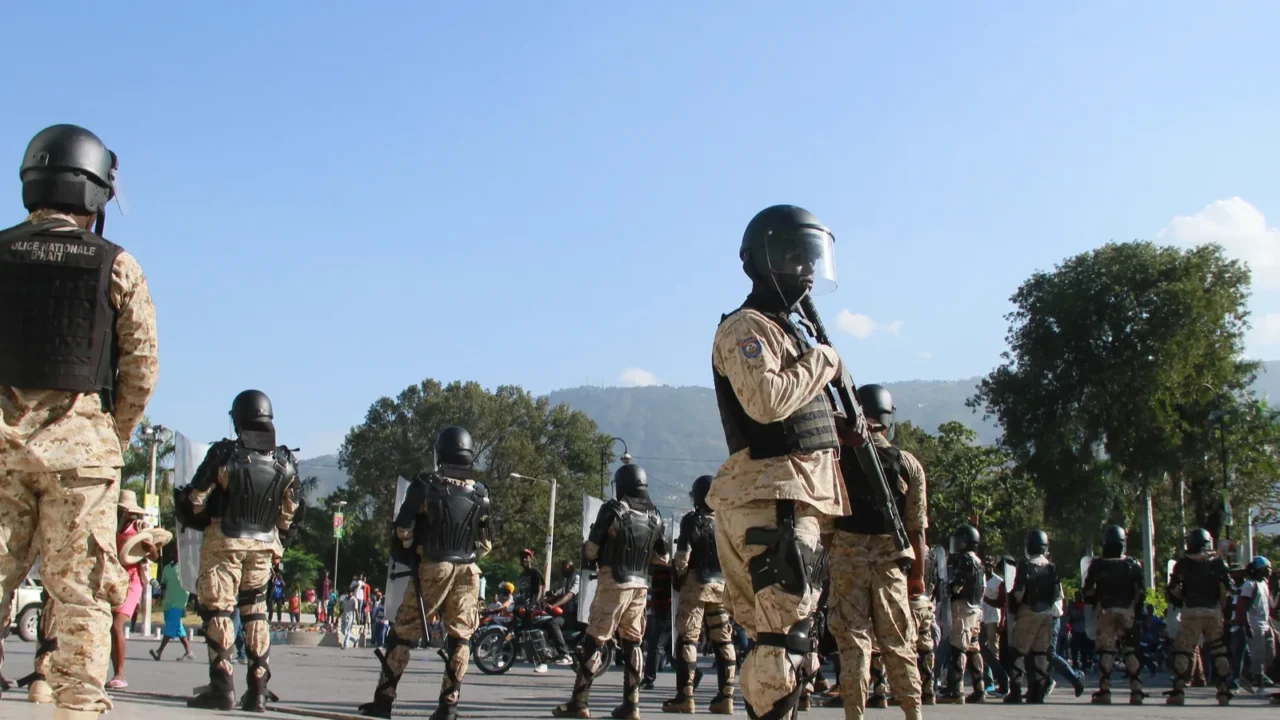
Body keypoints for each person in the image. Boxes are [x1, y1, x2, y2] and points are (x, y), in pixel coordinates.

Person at [0, 123, 159, 720]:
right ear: (95, 191)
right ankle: (78, 706)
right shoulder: (116, 266)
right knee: (84, 596)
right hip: (82, 457)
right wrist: (109, 437)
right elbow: (141, 367)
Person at [708, 204, 855, 720]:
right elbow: (766, 402)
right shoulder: (747, 328)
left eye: (812, 258)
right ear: (763, 260)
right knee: (782, 645)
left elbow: (800, 421)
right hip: (775, 500)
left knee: (790, 646)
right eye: (796, 256)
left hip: (795, 498)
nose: (808, 269)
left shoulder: (790, 332)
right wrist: (826, 361)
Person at [177, 389, 301, 711]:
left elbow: (196, 498)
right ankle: (258, 688)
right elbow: (291, 511)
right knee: (255, 610)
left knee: (218, 610)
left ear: (238, 418)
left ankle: (222, 686)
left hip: (225, 541)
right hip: (264, 545)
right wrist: (278, 539)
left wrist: (195, 512)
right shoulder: (286, 461)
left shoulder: (223, 454)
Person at [358, 425, 491, 720]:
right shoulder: (481, 493)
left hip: (434, 565)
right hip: (469, 570)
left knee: (403, 634)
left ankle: (384, 701)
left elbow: (403, 530)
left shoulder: (425, 486)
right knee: (461, 638)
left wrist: (411, 546)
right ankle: (449, 705)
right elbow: (485, 544)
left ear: (440, 452)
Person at [827, 383, 927, 720]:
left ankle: (854, 715)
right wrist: (918, 578)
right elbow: (916, 530)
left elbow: (828, 524)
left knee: (854, 646)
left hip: (846, 562)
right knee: (899, 645)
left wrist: (839, 557)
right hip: (890, 566)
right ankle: (914, 714)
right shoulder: (909, 465)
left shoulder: (837, 459)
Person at [553, 461, 667, 719]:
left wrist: (593, 550)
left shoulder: (613, 510)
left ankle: (579, 701)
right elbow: (664, 558)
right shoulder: (656, 516)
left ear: (622, 485)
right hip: (640, 586)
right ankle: (632, 705)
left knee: (595, 640)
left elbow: (591, 549)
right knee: (633, 643)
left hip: (613, 582)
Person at [664, 474, 736, 714]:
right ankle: (726, 696)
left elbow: (683, 555)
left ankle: (685, 696)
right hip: (722, 587)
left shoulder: (692, 521)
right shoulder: (727, 521)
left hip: (696, 584)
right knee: (723, 639)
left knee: (688, 638)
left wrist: (679, 577)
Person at [1166, 528, 1234, 706]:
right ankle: (1223, 692)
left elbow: (1173, 588)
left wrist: (1183, 601)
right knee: (1219, 650)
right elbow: (1227, 590)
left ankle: (1179, 691)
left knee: (1184, 651)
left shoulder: (1182, 564)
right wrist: (1222, 609)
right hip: (1213, 612)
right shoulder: (1218, 564)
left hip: (1191, 611)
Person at [1082, 524, 1145, 705]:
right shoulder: (1133, 564)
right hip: (1127, 612)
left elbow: (1088, 590)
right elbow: (1141, 592)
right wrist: (1136, 611)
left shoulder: (1098, 565)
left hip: (1106, 611)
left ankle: (1105, 691)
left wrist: (1094, 603)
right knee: (1130, 651)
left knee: (1106, 652)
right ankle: (1136, 691)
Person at [106, 490, 160, 689]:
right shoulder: (110, 522)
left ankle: (120, 674)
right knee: (107, 626)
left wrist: (149, 546)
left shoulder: (139, 527)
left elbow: (155, 555)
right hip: (113, 578)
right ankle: (108, 670)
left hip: (132, 581)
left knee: (116, 624)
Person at [1005, 529, 1061, 704]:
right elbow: (1057, 593)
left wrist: (1013, 603)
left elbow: (1020, 591)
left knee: (1017, 653)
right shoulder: (1051, 567)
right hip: (1046, 615)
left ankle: (1015, 691)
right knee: (1040, 654)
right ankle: (1037, 692)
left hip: (1028, 612)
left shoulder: (1026, 565)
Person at [938, 525, 985, 704]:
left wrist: (947, 590)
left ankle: (955, 689)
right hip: (976, 608)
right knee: (973, 649)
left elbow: (958, 584)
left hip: (963, 608)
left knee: (957, 647)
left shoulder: (966, 559)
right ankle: (979, 688)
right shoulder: (979, 562)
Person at [150, 550, 194, 662]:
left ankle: (159, 651)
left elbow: (192, 582)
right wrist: (157, 586)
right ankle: (188, 651)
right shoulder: (167, 568)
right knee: (177, 626)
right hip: (169, 601)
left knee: (171, 625)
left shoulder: (186, 567)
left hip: (180, 600)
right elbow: (163, 585)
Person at [1236, 556, 1273, 689]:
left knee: (1270, 653)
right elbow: (1243, 607)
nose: (1270, 570)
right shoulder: (1249, 585)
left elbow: (1265, 606)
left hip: (1266, 624)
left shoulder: (1264, 583)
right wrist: (1247, 625)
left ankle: (1249, 676)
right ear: (1259, 569)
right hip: (1255, 625)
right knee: (1258, 657)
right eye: (1267, 568)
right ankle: (1259, 683)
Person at [980, 558, 1009, 696]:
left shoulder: (998, 581)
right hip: (981, 618)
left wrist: (1001, 622)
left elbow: (1001, 603)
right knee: (982, 650)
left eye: (989, 566)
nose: (987, 569)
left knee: (993, 650)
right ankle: (988, 681)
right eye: (985, 566)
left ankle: (999, 678)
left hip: (993, 618)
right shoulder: (980, 578)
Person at [544, 560, 582, 664]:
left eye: (565, 567)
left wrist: (553, 605)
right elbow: (560, 593)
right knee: (546, 620)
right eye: (562, 567)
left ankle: (565, 654)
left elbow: (569, 595)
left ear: (571, 567)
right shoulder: (567, 580)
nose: (563, 570)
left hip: (575, 614)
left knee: (554, 623)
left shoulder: (577, 578)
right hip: (567, 612)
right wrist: (545, 600)